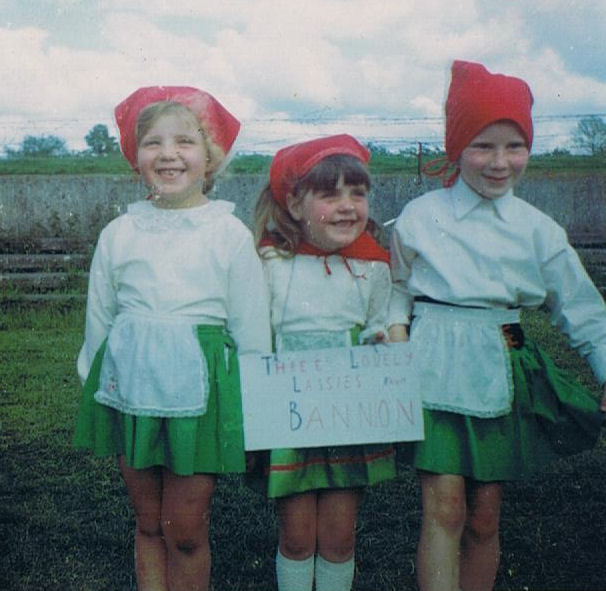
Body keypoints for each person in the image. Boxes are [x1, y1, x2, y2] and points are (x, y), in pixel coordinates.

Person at [388, 59, 606, 591]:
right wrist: (395, 338)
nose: (499, 162)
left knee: (485, 515)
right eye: (482, 145)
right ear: (456, 147)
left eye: (515, 146)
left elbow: (582, 311)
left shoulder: (539, 230)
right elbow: (393, 288)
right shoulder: (420, 217)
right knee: (445, 508)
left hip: (503, 359)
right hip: (434, 361)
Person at [73, 86, 270, 591]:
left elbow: (251, 330)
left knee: (183, 530)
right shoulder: (120, 232)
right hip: (129, 387)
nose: (168, 154)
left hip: (199, 396)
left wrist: (255, 412)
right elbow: (101, 317)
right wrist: (95, 388)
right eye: (153, 143)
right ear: (136, 158)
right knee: (147, 523)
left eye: (184, 141)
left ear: (210, 157)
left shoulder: (227, 234)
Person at [253, 134, 397, 591]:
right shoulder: (273, 262)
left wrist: (382, 346)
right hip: (291, 416)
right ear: (295, 203)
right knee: (297, 535)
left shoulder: (372, 267)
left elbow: (381, 323)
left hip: (347, 416)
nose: (347, 205)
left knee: (337, 536)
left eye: (357, 193)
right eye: (329, 193)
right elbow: (258, 333)